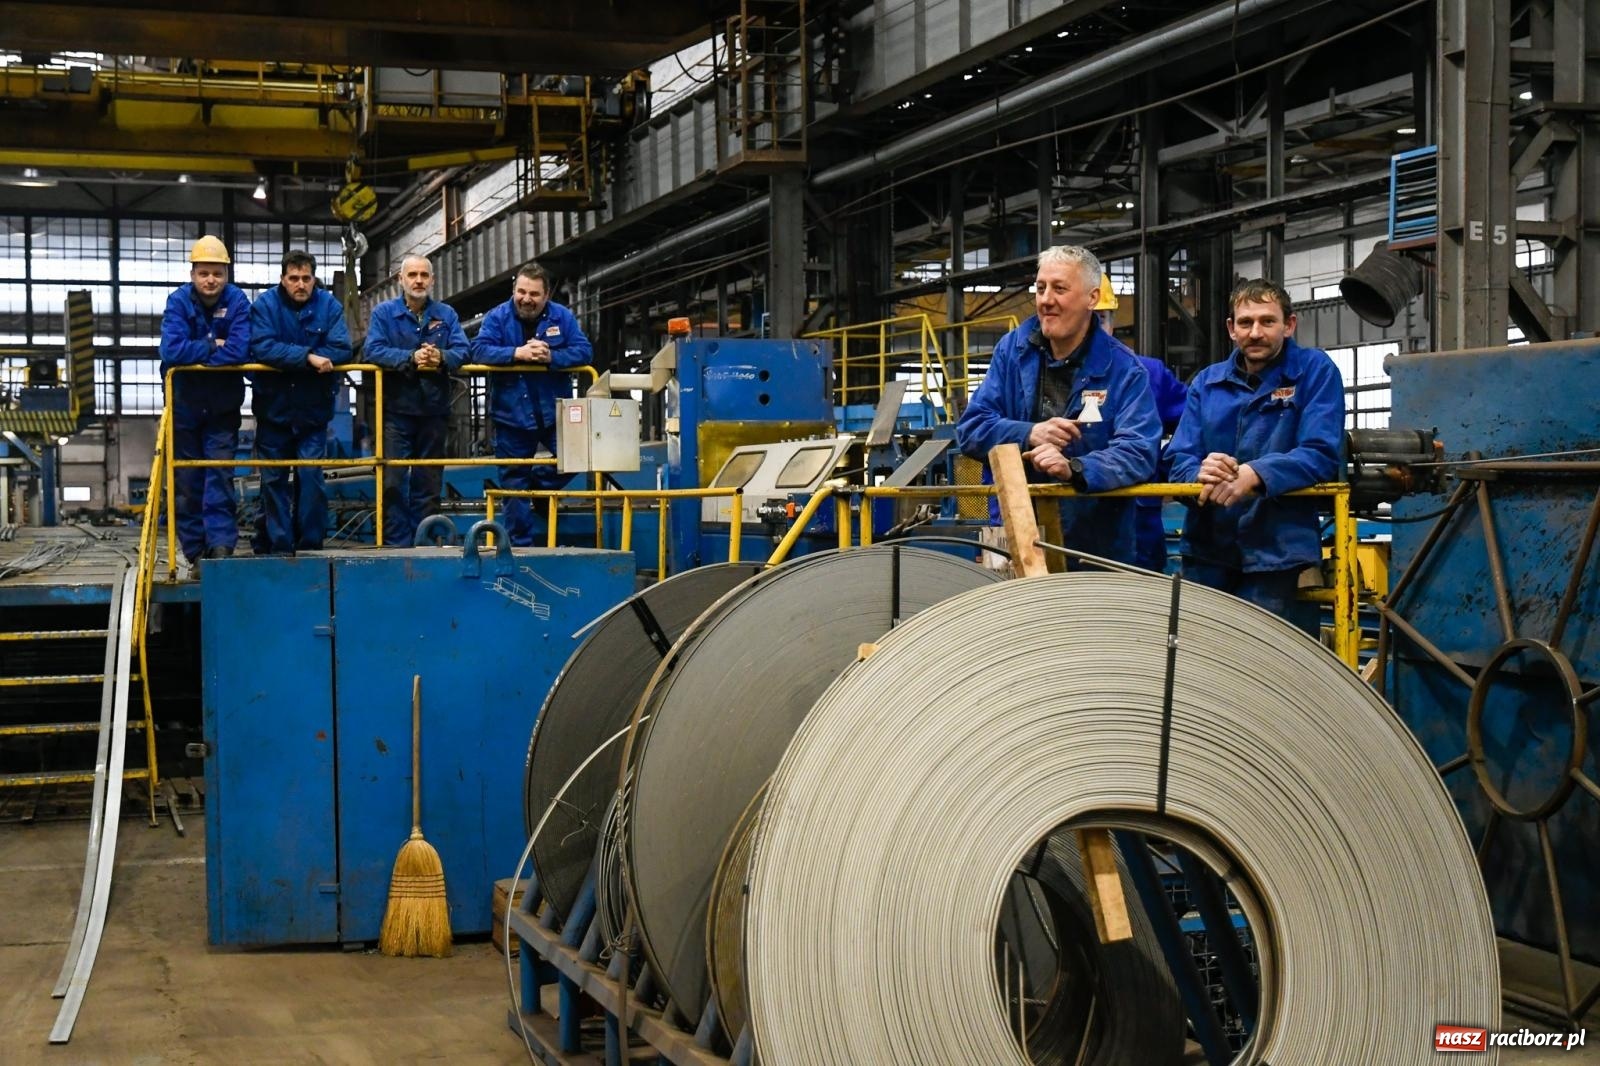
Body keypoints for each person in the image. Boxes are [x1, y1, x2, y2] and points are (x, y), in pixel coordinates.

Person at [956, 245, 1160, 565]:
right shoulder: (1012, 351)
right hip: (1014, 534)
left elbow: (1139, 451)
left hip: (1093, 548)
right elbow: (971, 429)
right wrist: (1030, 433)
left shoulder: (1124, 370)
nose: (1046, 299)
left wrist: (1075, 469)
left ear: (1092, 298)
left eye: (1060, 289)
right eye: (1040, 288)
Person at [1167, 278, 1345, 634]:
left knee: (1271, 669)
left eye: (1268, 321)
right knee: (1200, 663)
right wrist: (1200, 473)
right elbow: (1178, 459)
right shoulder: (1207, 383)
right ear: (1231, 329)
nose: (1256, 332)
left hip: (1277, 555)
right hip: (1207, 551)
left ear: (1289, 325)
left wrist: (1256, 475)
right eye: (1245, 323)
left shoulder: (1315, 371)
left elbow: (1322, 452)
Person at [469, 262, 594, 546]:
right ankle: (519, 547)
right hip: (512, 415)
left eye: (534, 294)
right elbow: (478, 350)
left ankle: (538, 485)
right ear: (514, 290)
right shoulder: (497, 317)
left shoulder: (561, 317)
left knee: (580, 455)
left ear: (546, 295)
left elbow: (584, 350)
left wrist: (553, 358)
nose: (527, 299)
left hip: (554, 412)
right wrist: (517, 353)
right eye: (521, 291)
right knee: (514, 483)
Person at [247, 250, 353, 554]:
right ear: (283, 279)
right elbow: (262, 347)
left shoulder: (329, 306)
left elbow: (342, 348)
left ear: (314, 279)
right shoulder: (266, 305)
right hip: (274, 412)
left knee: (311, 478)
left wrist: (294, 355)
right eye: (293, 278)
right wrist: (308, 356)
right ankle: (279, 546)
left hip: (312, 413)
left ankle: (309, 546)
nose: (300, 284)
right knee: (273, 481)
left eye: (306, 278)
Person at [364, 255, 468, 547]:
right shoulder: (384, 314)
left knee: (429, 481)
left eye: (424, 275)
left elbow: (464, 350)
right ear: (401, 280)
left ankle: (424, 543)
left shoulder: (446, 315)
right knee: (394, 480)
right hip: (396, 411)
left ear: (432, 280)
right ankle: (396, 544)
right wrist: (410, 358)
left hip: (434, 412)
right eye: (412, 275)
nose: (418, 280)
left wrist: (441, 357)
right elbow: (373, 350)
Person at [159, 235, 251, 564]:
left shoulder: (238, 300)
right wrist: (214, 346)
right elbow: (171, 351)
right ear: (192, 273)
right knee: (187, 483)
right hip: (184, 406)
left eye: (217, 273)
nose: (211, 280)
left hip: (222, 408)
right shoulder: (178, 301)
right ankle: (196, 554)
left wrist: (196, 352)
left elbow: (240, 350)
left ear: (226, 274)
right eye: (203, 273)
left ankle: (221, 549)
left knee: (220, 477)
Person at [1134, 355, 1188, 573]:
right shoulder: (1039, 369)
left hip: (1137, 525)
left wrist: (1163, 464)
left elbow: (1193, 422)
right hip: (1059, 517)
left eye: (1100, 319)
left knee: (1142, 603)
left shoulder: (1148, 372)